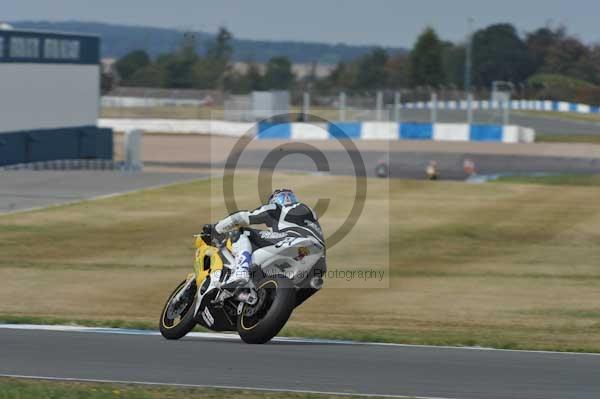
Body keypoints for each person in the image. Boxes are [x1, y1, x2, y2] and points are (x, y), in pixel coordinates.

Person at [214, 189, 325, 285]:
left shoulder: (275, 208)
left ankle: (241, 271)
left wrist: (217, 228)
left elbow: (244, 217)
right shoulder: (309, 211)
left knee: (242, 232)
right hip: (318, 261)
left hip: (293, 240)